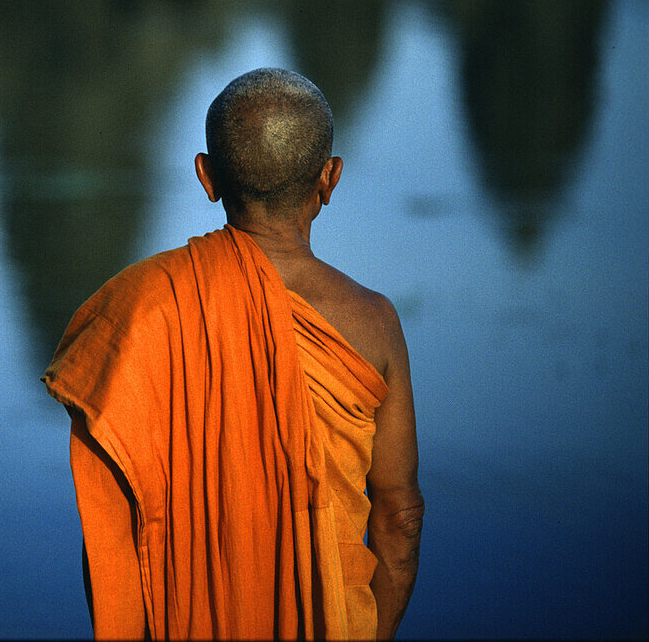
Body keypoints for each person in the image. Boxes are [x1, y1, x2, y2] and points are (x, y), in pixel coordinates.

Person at [42, 68, 423, 640]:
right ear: (331, 178)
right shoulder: (373, 323)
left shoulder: (143, 306)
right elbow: (400, 518)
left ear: (207, 176)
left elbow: (115, 518)